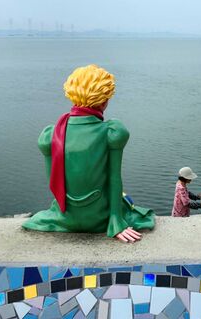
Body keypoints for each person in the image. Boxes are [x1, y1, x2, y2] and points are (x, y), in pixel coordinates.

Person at [23, 64, 155, 243]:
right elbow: (114, 178)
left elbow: (53, 184)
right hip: (100, 218)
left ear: (72, 94)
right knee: (129, 203)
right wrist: (116, 220)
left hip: (65, 217)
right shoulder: (112, 131)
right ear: (104, 101)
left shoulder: (51, 135)